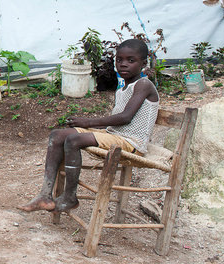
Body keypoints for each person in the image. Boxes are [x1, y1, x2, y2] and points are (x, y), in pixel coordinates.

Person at [19, 39, 159, 213]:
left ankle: (70, 197)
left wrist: (87, 122)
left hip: (133, 143)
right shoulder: (123, 87)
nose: (123, 64)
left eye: (131, 61)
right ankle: (45, 195)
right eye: (119, 60)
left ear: (143, 63)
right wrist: (91, 125)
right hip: (116, 136)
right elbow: (119, 120)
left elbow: (125, 117)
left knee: (74, 139)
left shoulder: (143, 84)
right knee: (57, 135)